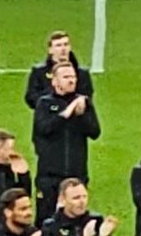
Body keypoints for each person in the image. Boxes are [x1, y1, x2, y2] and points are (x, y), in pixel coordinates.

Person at [32, 62, 101, 222]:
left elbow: (95, 132)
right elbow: (44, 128)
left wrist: (82, 115)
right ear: (54, 81)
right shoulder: (45, 103)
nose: (71, 81)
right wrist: (66, 113)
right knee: (45, 219)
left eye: (73, 77)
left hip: (76, 174)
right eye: (66, 77)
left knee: (75, 219)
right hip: (49, 176)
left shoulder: (83, 103)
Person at [24, 31, 93, 111]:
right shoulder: (39, 72)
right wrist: (52, 104)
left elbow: (86, 97)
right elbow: (31, 97)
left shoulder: (82, 73)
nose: (63, 48)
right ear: (50, 50)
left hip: (75, 119)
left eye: (66, 44)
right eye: (58, 45)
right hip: (47, 118)